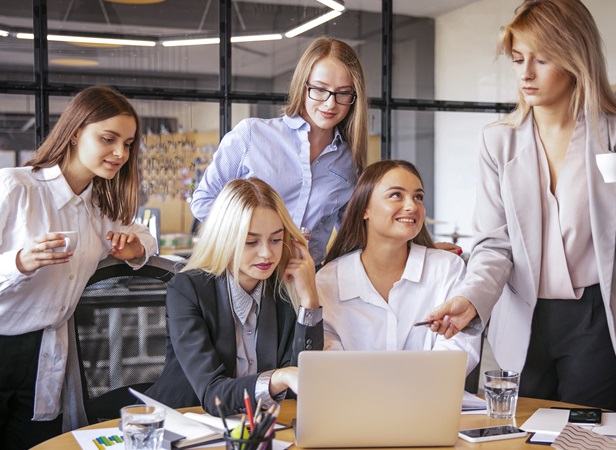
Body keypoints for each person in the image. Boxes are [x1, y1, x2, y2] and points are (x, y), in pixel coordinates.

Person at [423, 0, 616, 413]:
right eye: (518, 59)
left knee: (594, 438)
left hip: (598, 319)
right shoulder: (497, 141)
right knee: (522, 434)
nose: (525, 73)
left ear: (576, 58)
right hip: (523, 316)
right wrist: (471, 298)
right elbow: (493, 246)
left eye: (543, 59)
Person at [0, 85, 158, 449]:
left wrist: (137, 245)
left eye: (128, 144)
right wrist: (19, 262)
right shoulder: (11, 187)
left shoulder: (98, 208)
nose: (120, 153)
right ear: (75, 131)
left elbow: (143, 235)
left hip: (44, 355)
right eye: (108, 139)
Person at [146, 177, 323, 416]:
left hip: (257, 428)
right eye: (251, 241)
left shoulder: (284, 290)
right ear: (225, 239)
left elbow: (302, 385)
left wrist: (309, 301)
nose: (266, 253)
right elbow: (212, 393)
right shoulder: (187, 289)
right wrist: (279, 377)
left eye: (275, 239)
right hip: (185, 424)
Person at [190, 36, 367, 267]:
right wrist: (259, 235)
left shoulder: (348, 161)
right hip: (246, 276)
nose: (330, 103)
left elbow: (352, 234)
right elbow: (203, 202)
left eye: (343, 93)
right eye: (320, 89)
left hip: (305, 282)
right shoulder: (252, 135)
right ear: (302, 86)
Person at [315, 160, 481, 375]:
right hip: (356, 404)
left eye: (418, 197)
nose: (412, 206)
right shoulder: (329, 279)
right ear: (364, 208)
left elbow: (458, 348)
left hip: (428, 402)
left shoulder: (447, 268)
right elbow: (329, 358)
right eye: (396, 195)